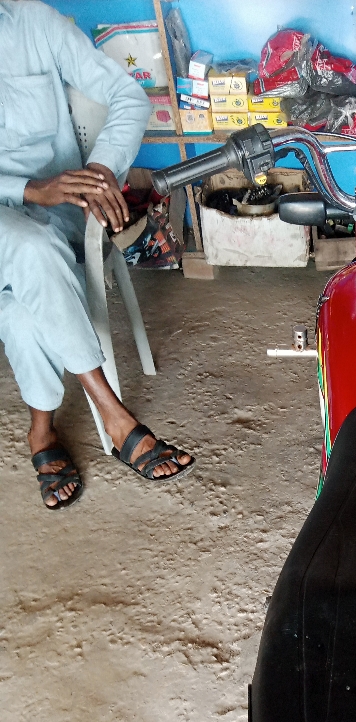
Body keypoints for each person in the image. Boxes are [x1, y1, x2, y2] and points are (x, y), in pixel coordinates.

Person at [0, 1, 195, 510]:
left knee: (19, 305)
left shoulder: (33, 23)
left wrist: (103, 168)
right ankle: (113, 413)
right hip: (17, 217)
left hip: (56, 223)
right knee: (29, 246)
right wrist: (27, 188)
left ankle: (41, 430)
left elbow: (128, 96)